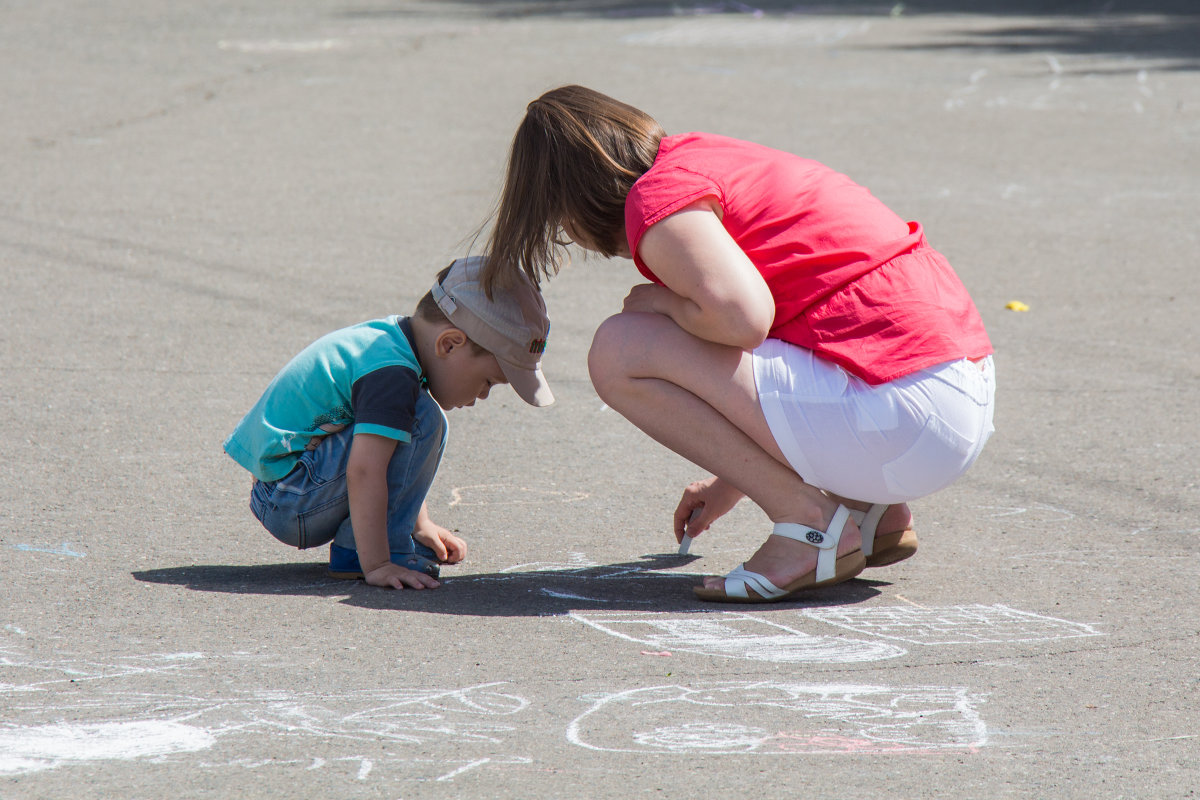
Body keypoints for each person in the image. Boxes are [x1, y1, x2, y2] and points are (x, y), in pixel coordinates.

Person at [481, 85, 995, 603]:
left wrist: (662, 305)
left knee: (621, 348)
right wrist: (730, 481)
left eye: (559, 224)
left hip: (902, 418)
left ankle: (811, 526)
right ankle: (867, 508)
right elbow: (787, 337)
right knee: (700, 324)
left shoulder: (657, 200)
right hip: (949, 396)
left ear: (570, 199)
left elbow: (744, 321)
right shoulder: (704, 158)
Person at [224, 256, 553, 590]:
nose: (483, 394)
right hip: (290, 497)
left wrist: (419, 523)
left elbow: (393, 455)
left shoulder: (391, 345)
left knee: (414, 417)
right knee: (423, 418)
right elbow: (365, 470)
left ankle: (392, 535)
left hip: (284, 489)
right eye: (489, 381)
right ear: (449, 344)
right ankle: (368, 550)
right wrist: (379, 563)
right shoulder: (392, 376)